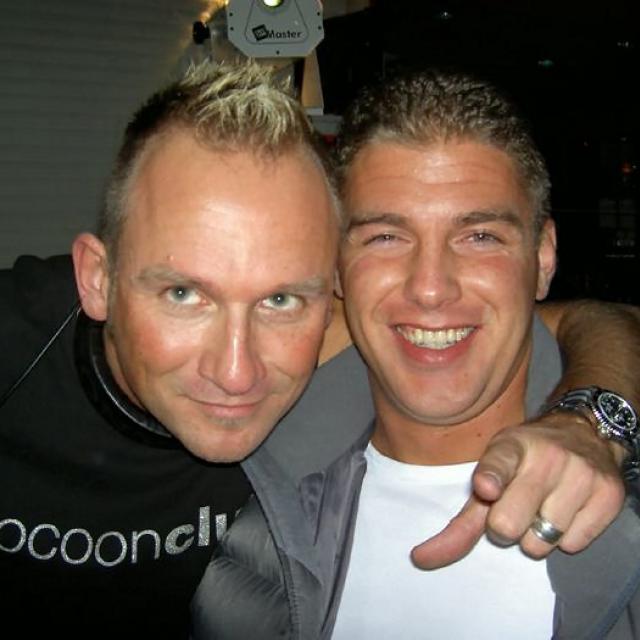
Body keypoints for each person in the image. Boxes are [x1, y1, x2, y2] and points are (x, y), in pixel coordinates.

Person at [0, 61, 636, 638]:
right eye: (184, 293)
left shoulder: (323, 377)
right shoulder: (23, 339)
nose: (235, 373)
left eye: (480, 237)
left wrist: (595, 421)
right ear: (97, 278)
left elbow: (588, 319)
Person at [191, 68, 640, 639]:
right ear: (335, 266)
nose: (430, 288)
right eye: (386, 237)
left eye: (480, 236)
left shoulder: (619, 480)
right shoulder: (241, 468)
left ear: (543, 257)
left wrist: (595, 423)